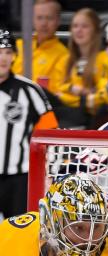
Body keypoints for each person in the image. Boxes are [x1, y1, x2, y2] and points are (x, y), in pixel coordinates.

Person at [0, 30, 59, 220]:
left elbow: (52, 134)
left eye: (8, 52)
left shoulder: (29, 90)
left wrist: (51, 172)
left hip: (20, 179)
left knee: (20, 234)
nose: (3, 58)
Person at [51, 9, 108, 128]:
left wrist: (70, 96)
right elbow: (55, 92)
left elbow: (102, 96)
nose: (79, 30)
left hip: (91, 120)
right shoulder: (65, 59)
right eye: (75, 26)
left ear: (95, 31)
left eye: (85, 26)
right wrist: (73, 89)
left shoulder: (105, 58)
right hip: (64, 117)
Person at [12, 0, 68, 93]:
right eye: (39, 18)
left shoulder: (64, 55)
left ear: (58, 21)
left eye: (49, 18)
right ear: (32, 20)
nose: (44, 23)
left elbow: (57, 92)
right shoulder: (18, 45)